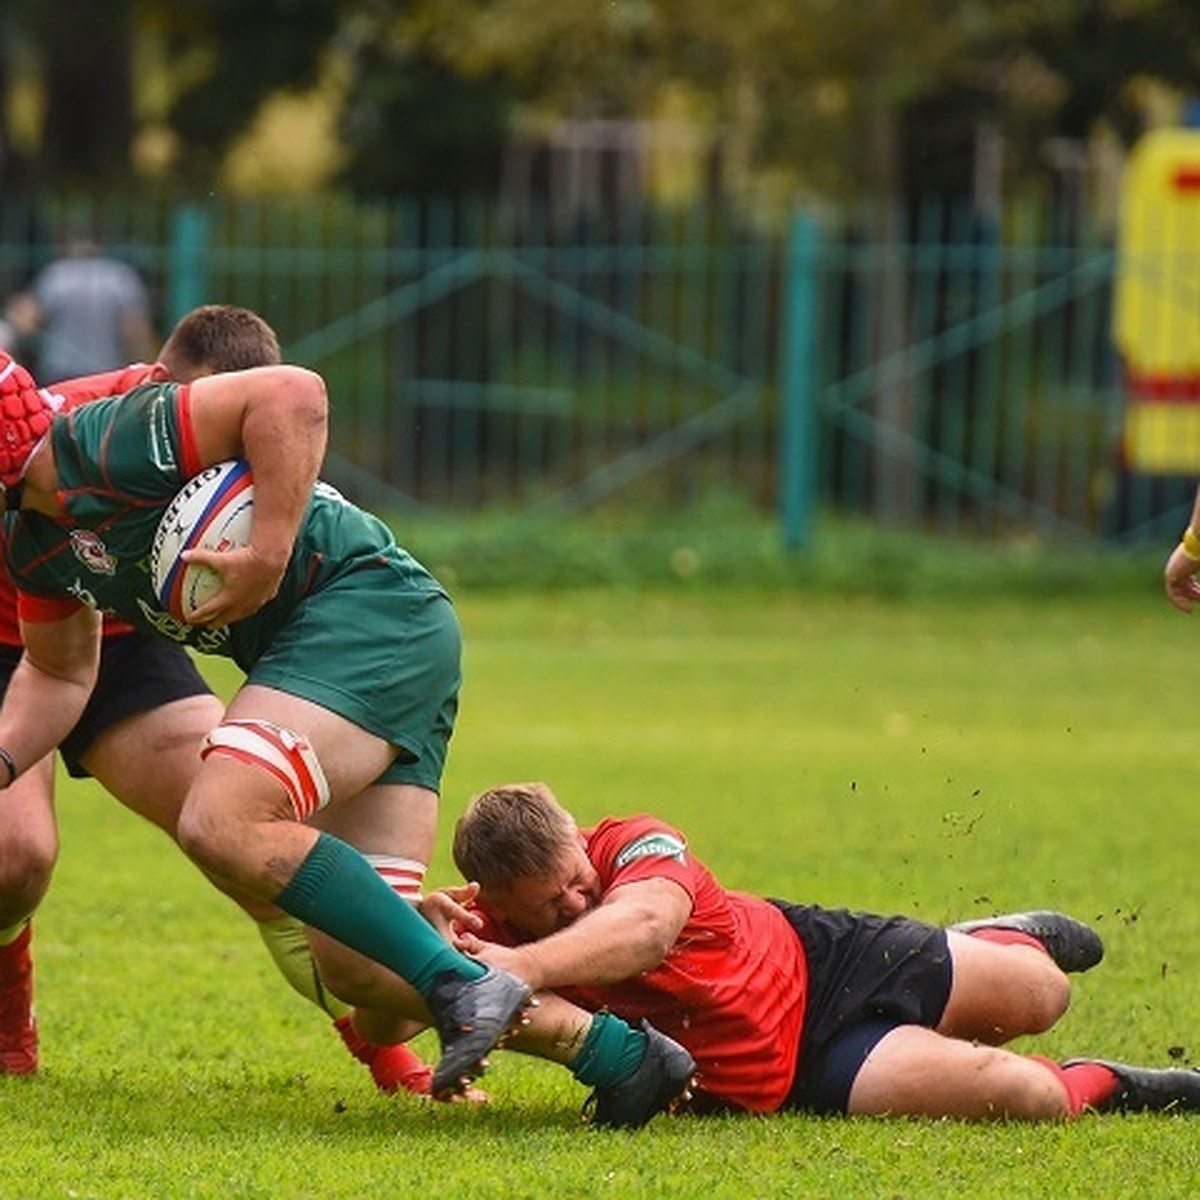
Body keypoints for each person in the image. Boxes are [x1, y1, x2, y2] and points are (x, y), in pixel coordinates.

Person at [0, 347, 687, 1117]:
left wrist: (266, 552)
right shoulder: (33, 542)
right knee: (364, 974)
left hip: (364, 613)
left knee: (222, 818)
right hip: (357, 652)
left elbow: (295, 393)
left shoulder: (104, 440)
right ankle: (624, 1057)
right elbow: (59, 675)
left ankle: (467, 985)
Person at [0, 305, 435, 1096]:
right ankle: (7, 1020)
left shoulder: (219, 418)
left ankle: (385, 1049)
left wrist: (270, 551)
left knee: (246, 835)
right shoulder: (91, 437)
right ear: (167, 392)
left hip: (122, 641)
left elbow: (291, 405)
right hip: (32, 641)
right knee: (13, 859)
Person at [447, 781, 1200, 1120]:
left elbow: (646, 927)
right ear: (494, 900)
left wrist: (526, 967)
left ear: (581, 837)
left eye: (578, 881)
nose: (579, 904)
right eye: (550, 908)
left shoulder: (634, 841)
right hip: (806, 1066)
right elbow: (377, 996)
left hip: (821, 956)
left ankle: (1003, 937)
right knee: (1028, 1097)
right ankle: (1112, 1083)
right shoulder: (483, 935)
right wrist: (401, 1046)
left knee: (1045, 995)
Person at [7, 226, 157, 382]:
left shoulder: (56, 276)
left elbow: (25, 323)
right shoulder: (120, 278)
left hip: (59, 371)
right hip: (105, 371)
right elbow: (135, 330)